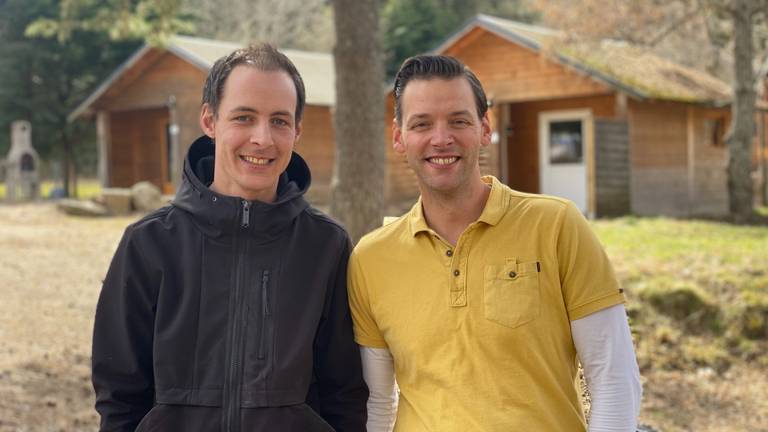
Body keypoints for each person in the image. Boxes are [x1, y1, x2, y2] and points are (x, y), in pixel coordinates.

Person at [348, 55, 642, 432]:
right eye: (421, 124)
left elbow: (615, 378)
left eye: (459, 121)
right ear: (398, 137)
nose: (441, 138)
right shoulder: (371, 258)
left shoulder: (556, 226)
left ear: (484, 128)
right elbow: (376, 403)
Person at [92, 44, 368, 432]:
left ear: (297, 130)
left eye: (279, 121)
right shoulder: (148, 243)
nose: (262, 139)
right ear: (210, 120)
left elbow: (345, 395)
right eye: (244, 117)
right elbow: (118, 393)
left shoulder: (326, 247)